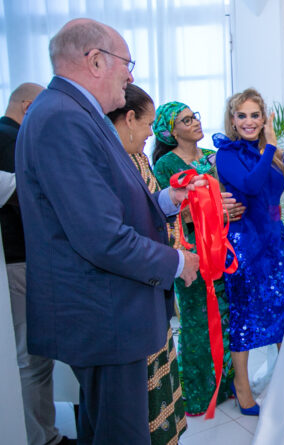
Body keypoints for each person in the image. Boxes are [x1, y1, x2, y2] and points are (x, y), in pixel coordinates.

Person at [15, 18, 203, 444]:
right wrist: (177, 261)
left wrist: (164, 202)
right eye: (126, 63)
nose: (130, 77)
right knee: (122, 434)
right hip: (104, 314)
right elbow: (102, 237)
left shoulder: (74, 113)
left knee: (103, 428)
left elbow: (109, 203)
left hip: (106, 312)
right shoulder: (63, 119)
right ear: (96, 61)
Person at [213, 88, 284, 414]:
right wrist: (272, 147)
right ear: (233, 120)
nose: (249, 122)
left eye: (255, 115)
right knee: (245, 318)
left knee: (282, 312)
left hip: (274, 243)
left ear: (264, 118)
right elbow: (250, 186)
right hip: (245, 246)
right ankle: (242, 388)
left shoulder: (270, 151)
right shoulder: (226, 154)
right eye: (242, 116)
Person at [106, 84, 186, 444]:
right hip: (133, 285)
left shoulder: (137, 159)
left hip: (153, 283)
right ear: (128, 118)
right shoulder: (109, 161)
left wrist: (171, 198)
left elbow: (150, 206)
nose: (151, 133)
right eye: (148, 124)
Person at [151, 101, 238, 416]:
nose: (195, 123)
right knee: (196, 321)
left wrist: (231, 207)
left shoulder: (213, 156)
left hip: (221, 246)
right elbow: (169, 211)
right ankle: (199, 393)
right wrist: (211, 206)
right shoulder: (165, 165)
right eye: (186, 120)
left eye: (194, 116)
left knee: (225, 317)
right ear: (171, 132)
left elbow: (228, 196)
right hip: (190, 252)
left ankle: (227, 385)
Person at [2, 82, 75, 445]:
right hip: (20, 260)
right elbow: (25, 195)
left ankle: (43, 432)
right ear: (30, 107)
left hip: (23, 259)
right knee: (32, 357)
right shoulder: (10, 139)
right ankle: (42, 437)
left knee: (35, 356)